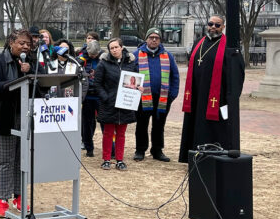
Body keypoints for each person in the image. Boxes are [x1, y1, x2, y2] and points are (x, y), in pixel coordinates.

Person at [179, 15, 245, 163]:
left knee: (213, 128)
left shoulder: (229, 46)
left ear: (223, 27)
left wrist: (231, 97)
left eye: (217, 25)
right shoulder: (198, 43)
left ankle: (212, 157)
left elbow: (238, 73)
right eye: (211, 24)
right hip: (196, 94)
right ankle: (194, 155)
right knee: (195, 124)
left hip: (217, 97)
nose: (213, 27)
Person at [0, 29, 39, 216]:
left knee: (21, 160)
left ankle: (19, 196)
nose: (25, 46)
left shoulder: (31, 63)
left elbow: (40, 87)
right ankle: (2, 200)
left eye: (28, 44)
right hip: (3, 117)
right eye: (21, 43)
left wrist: (30, 71)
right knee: (6, 161)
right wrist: (18, 80)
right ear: (11, 43)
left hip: (24, 116)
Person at [133, 29, 180, 162]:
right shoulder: (136, 55)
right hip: (142, 97)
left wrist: (173, 94)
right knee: (141, 124)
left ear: (160, 40)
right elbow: (130, 75)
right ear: (146, 39)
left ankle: (157, 150)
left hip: (163, 98)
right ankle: (140, 150)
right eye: (151, 37)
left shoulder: (167, 55)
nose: (154, 40)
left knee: (159, 125)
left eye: (157, 38)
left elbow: (175, 76)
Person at [94, 37, 140, 171]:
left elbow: (135, 80)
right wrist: (105, 97)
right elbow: (97, 83)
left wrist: (135, 93)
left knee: (121, 133)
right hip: (109, 103)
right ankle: (106, 159)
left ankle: (120, 159)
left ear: (121, 47)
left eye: (116, 47)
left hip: (125, 103)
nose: (114, 50)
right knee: (108, 133)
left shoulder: (130, 63)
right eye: (111, 48)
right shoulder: (103, 64)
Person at [81, 40, 103, 157]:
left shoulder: (103, 59)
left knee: (104, 122)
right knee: (87, 124)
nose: (93, 56)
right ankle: (89, 147)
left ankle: (111, 149)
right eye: (91, 54)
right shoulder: (82, 59)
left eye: (95, 55)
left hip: (100, 96)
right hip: (87, 96)